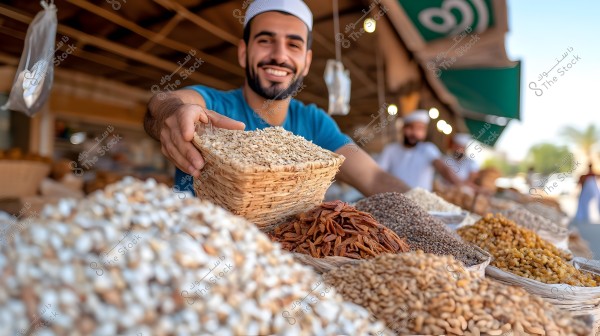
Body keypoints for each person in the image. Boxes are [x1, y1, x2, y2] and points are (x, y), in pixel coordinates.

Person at [143, 0, 410, 195]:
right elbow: (162, 104)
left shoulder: (316, 124)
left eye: (293, 45)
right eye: (265, 41)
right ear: (243, 53)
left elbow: (373, 178)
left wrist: (423, 208)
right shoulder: (213, 106)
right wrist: (171, 113)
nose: (279, 56)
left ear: (306, 62)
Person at [377, 110, 465, 191]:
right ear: (403, 128)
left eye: (419, 129)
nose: (414, 133)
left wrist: (462, 185)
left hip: (421, 204)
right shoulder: (390, 149)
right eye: (411, 128)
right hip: (393, 200)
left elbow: (443, 168)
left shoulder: (428, 149)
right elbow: (378, 174)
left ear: (424, 132)